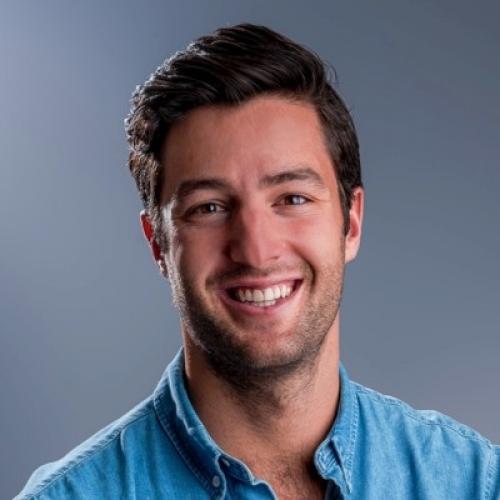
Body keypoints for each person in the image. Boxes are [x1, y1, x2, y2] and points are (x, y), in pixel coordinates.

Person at [17, 23, 499, 500]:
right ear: (158, 243)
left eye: (292, 198)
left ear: (351, 223)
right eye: (209, 207)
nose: (256, 250)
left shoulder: (475, 483)